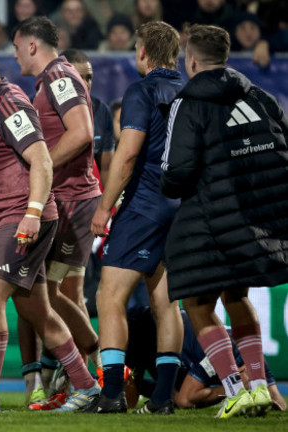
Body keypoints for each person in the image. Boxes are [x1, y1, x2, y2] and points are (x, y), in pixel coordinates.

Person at [0, 39, 100, 412]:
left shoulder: (8, 101)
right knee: (37, 310)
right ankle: (87, 386)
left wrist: (31, 212)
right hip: (14, 218)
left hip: (21, 218)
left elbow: (42, 160)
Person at [160, 24, 288, 418]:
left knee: (197, 302)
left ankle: (235, 387)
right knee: (237, 298)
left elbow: (175, 171)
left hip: (209, 218)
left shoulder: (189, 101)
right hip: (254, 216)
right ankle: (259, 388)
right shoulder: (260, 96)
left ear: (192, 60)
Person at [89, 21, 184, 414]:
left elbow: (127, 156)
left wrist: (104, 207)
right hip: (181, 208)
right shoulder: (189, 92)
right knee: (166, 302)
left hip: (143, 204)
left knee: (109, 295)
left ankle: (111, 394)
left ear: (142, 52)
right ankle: (162, 398)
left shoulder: (140, 90)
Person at [12, 17, 103, 410]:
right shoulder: (53, 79)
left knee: (35, 294)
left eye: (17, 47)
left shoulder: (58, 77)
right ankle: (89, 368)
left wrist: (41, 165)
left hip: (69, 199)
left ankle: (92, 370)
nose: (14, 55)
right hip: (67, 197)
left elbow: (82, 132)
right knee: (42, 294)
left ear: (32, 46)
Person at [124, 307, 286, 412]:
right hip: (144, 325)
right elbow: (186, 399)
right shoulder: (224, 354)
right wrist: (241, 386)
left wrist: (239, 387)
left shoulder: (255, 362)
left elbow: (278, 401)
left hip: (165, 334)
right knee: (134, 396)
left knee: (174, 394)